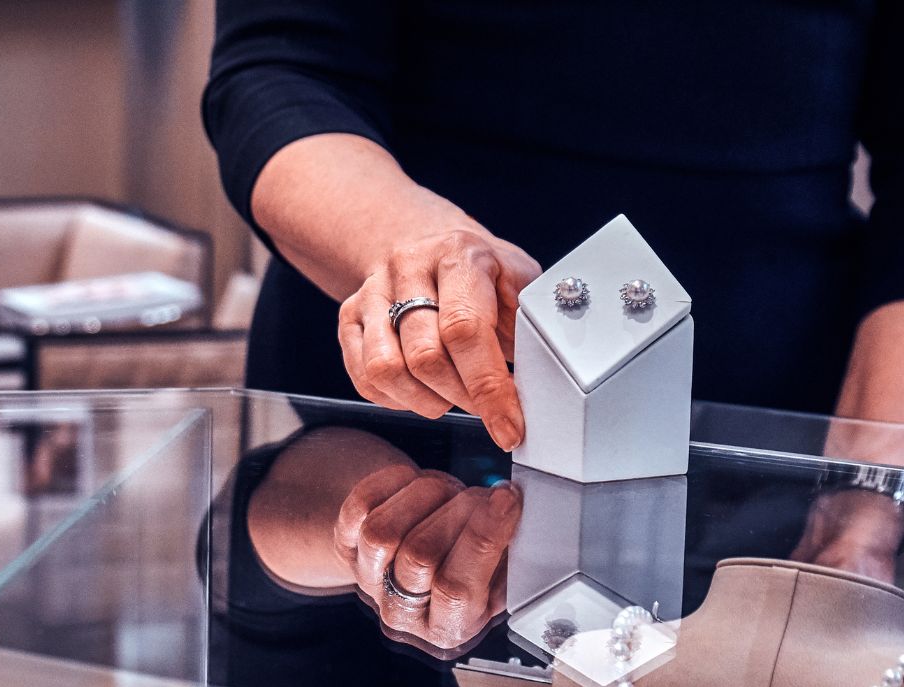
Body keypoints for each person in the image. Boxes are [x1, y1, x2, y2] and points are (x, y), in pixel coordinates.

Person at [202, 2, 904, 457]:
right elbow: (279, 70)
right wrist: (423, 250)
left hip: (771, 454)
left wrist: (871, 481)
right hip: (395, 443)